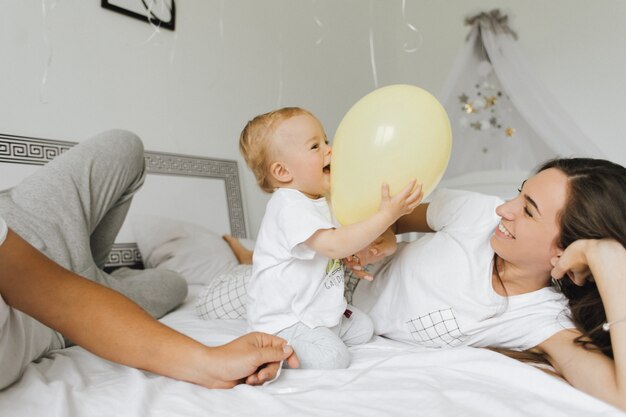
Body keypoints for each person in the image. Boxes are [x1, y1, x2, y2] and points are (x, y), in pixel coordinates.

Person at [222, 157, 626, 411]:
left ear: (570, 251)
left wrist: (608, 261)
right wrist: (382, 235)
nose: (504, 208)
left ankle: (250, 257)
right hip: (325, 276)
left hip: (340, 318)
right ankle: (245, 256)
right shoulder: (478, 214)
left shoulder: (541, 319)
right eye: (518, 194)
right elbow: (396, 218)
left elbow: (620, 396)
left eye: (528, 211)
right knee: (228, 291)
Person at [0, 130, 297, 391]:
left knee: (124, 146)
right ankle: (103, 274)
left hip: (25, 227)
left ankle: (95, 266)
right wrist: (209, 362)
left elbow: (61, 296)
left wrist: (210, 362)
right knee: (176, 284)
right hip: (56, 317)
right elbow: (64, 303)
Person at [238, 107, 422, 369]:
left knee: (364, 329)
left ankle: (324, 328)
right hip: (284, 320)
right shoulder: (288, 205)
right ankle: (275, 346)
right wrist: (386, 214)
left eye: (326, 140)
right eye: (315, 146)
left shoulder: (324, 203)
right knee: (334, 359)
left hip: (316, 310)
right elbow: (335, 244)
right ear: (282, 172)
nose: (330, 149)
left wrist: (370, 248)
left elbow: (351, 240)